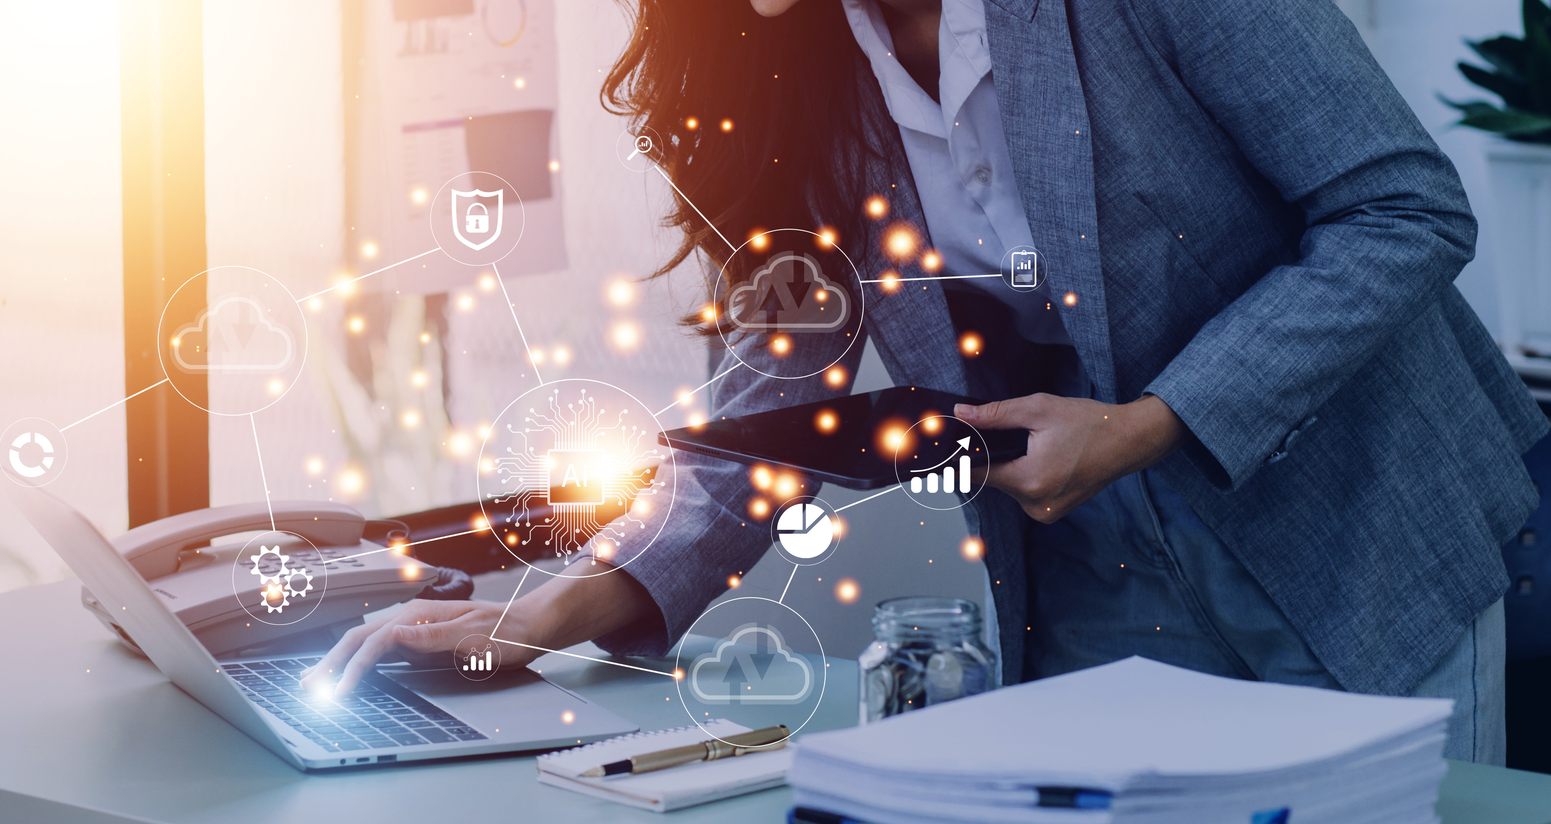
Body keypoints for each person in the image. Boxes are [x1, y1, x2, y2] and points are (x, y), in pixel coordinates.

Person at [306, 0, 1544, 764]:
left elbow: (1401, 210)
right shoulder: (799, 60)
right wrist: (577, 601)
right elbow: (772, 389)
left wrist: (1149, 423)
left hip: (1353, 534)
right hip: (1084, 570)